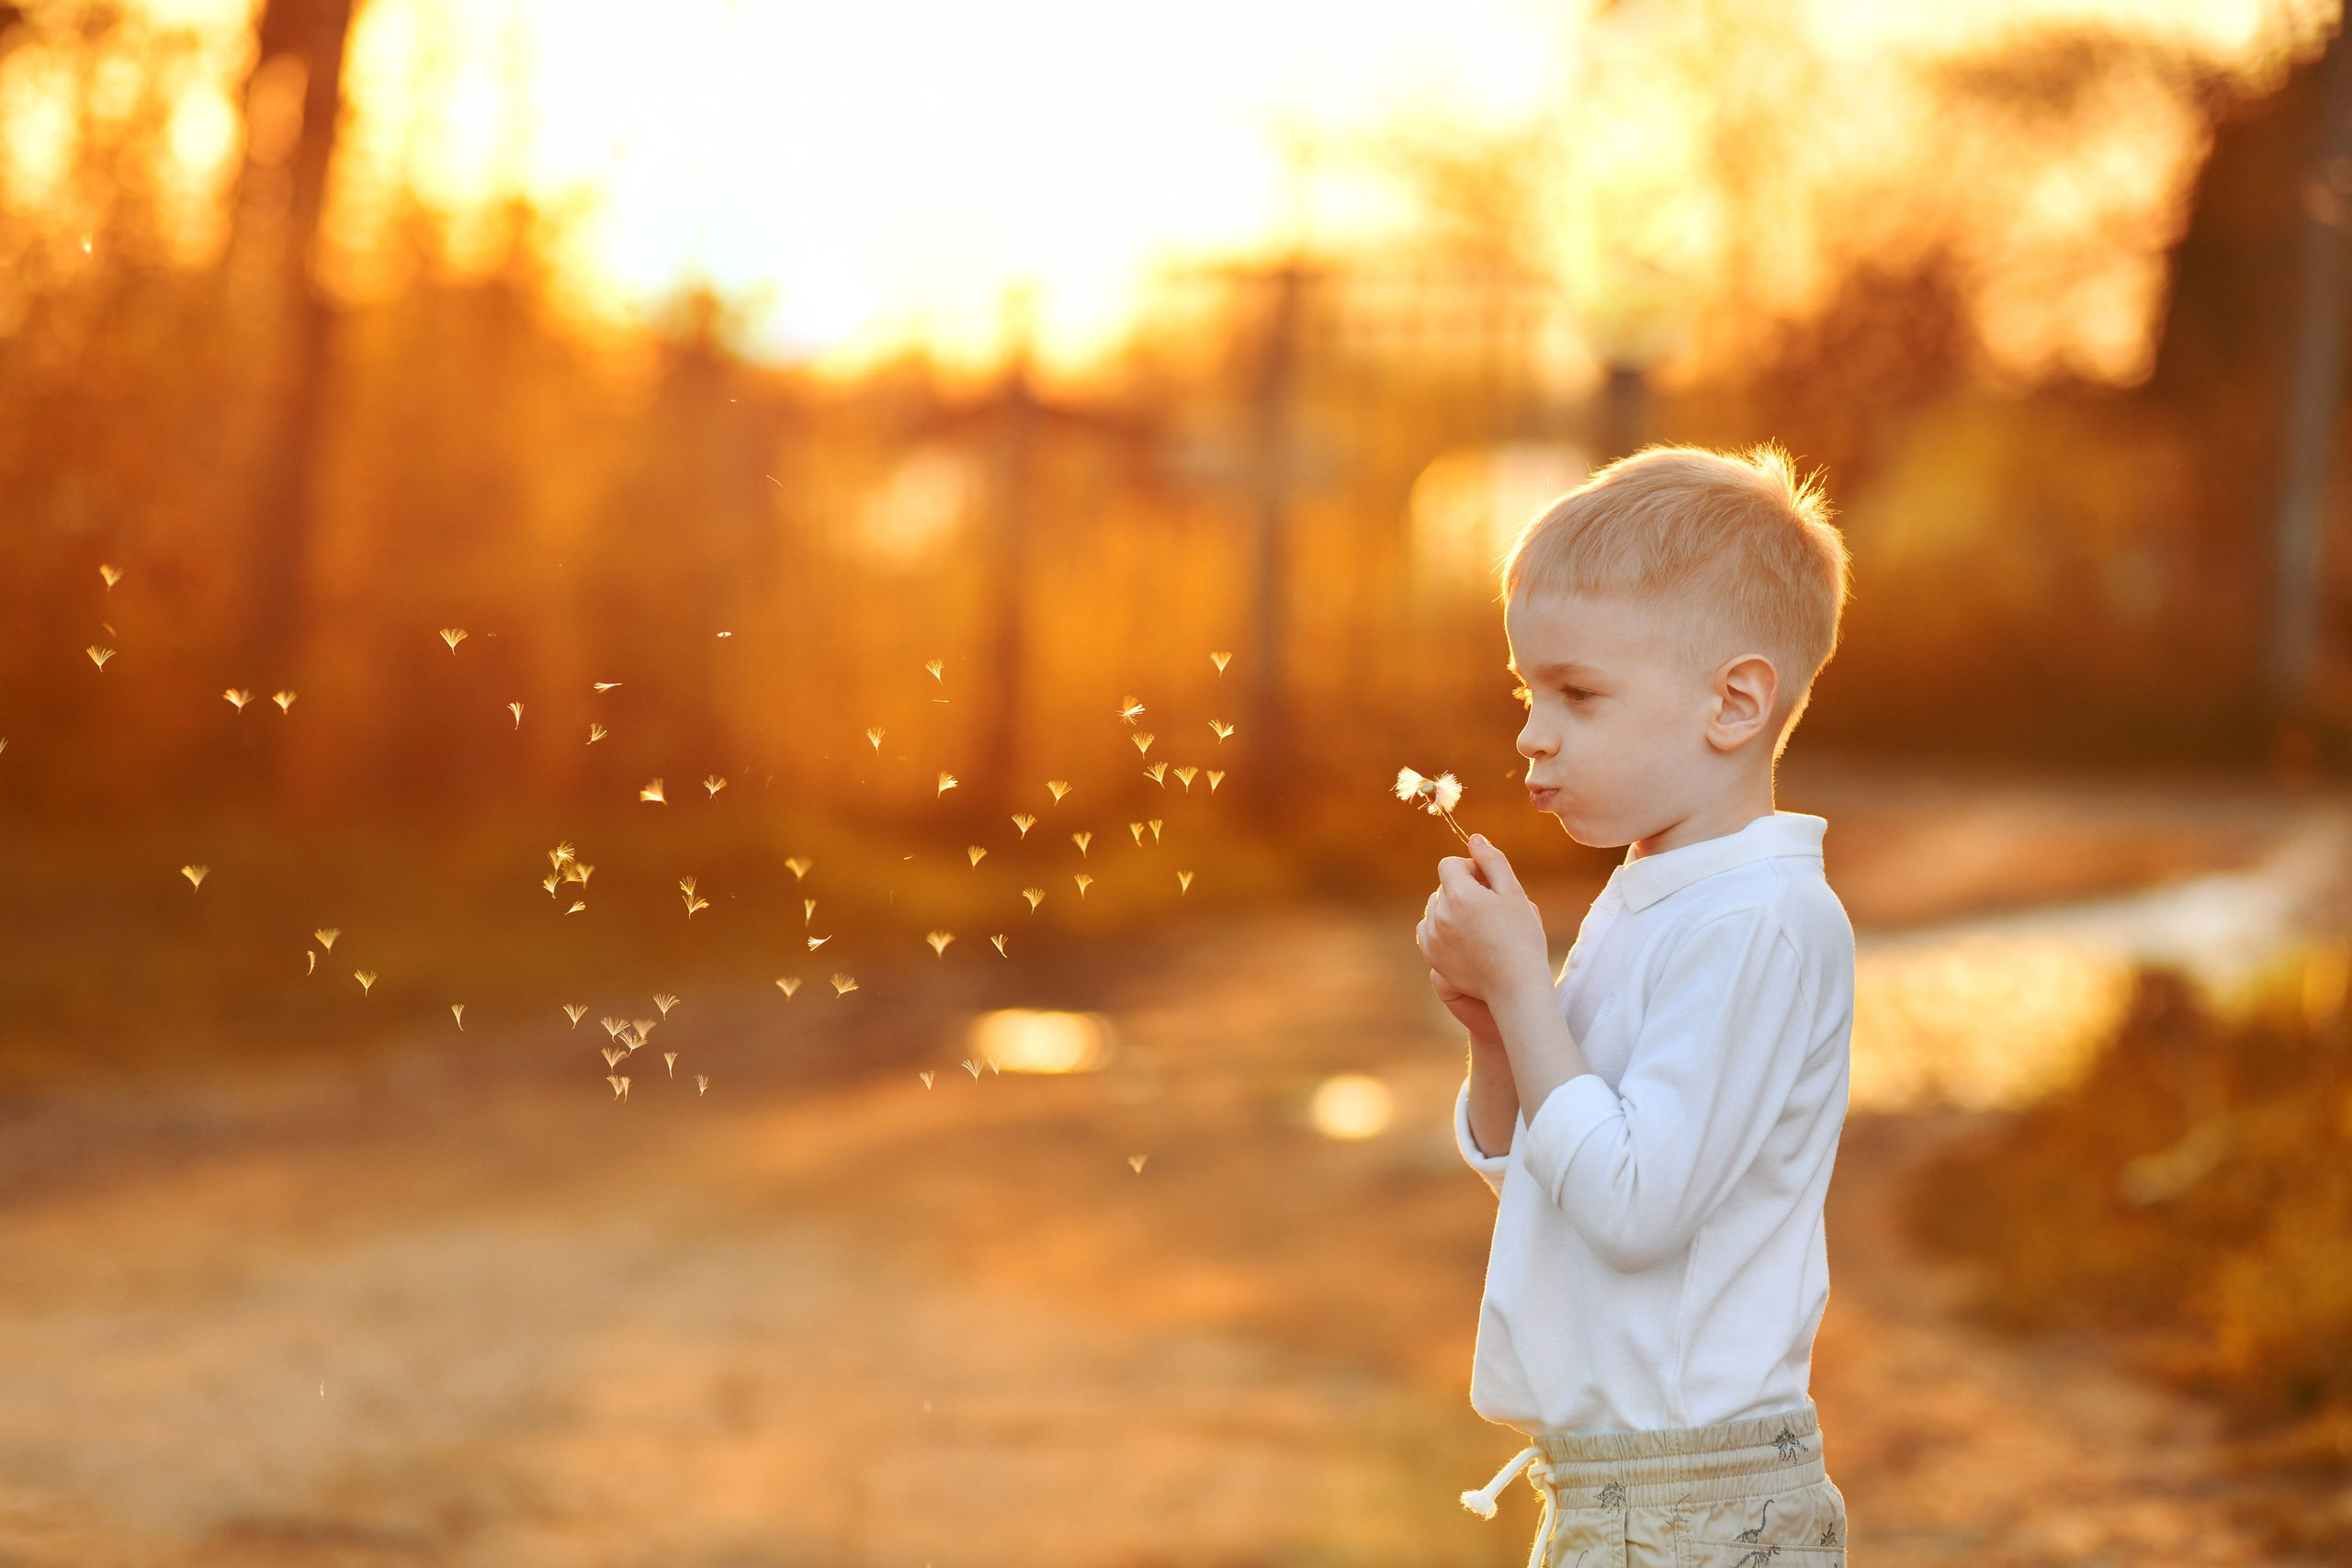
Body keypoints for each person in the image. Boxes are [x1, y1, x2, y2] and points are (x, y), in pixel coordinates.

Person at [1416, 444, 1856, 1568]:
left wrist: (1525, 984)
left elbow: (1633, 1207)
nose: (1532, 732)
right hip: (1622, 1487)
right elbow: (1553, 1183)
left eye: (1577, 693)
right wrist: (1495, 1032)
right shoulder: (1654, 900)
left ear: (1733, 702)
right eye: (1528, 692)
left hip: (1694, 1501)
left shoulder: (1752, 921)